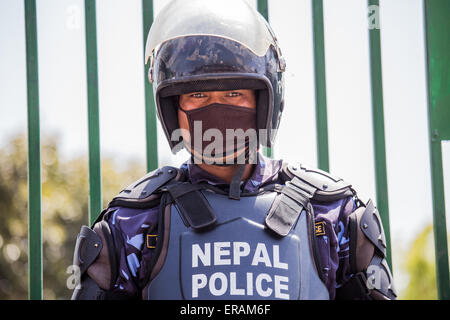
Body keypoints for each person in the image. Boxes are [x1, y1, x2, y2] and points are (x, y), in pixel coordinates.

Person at [71, 0, 396, 300]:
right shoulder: (136, 218)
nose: (215, 109)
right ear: (174, 108)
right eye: (197, 96)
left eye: (233, 94)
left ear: (264, 102)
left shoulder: (332, 211)